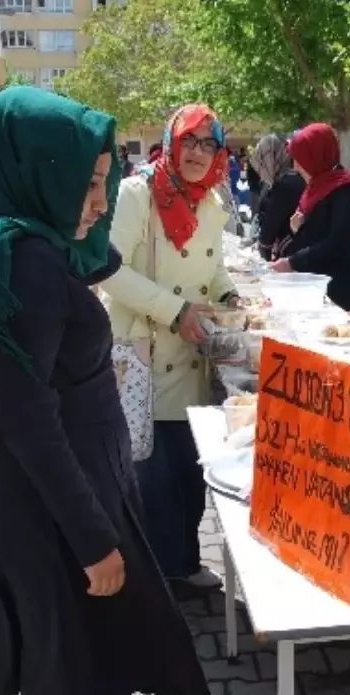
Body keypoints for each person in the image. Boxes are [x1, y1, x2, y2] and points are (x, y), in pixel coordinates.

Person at [0, 86, 210, 695]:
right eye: (88, 181)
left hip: (79, 482)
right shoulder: (20, 261)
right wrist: (92, 536)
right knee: (57, 658)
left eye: (103, 179)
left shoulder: (34, 240)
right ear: (40, 169)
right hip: (43, 502)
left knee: (105, 625)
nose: (97, 200)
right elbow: (28, 421)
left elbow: (100, 263)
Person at [102, 103, 238, 591]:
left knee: (187, 468)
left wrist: (231, 296)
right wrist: (175, 311)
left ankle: (182, 562)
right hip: (145, 353)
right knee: (149, 476)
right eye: (191, 141)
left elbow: (212, 269)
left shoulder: (213, 203)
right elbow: (108, 269)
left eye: (209, 143)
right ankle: (152, 579)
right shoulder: (138, 194)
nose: (199, 152)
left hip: (192, 355)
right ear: (173, 143)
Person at [270, 122, 350, 311]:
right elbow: (313, 235)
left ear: (316, 156)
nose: (295, 166)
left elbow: (337, 243)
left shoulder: (344, 190)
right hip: (314, 287)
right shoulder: (315, 187)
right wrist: (296, 229)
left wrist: (292, 262)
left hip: (340, 291)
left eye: (300, 158)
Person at [251, 133, 304, 261]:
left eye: (263, 159)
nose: (261, 167)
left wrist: (265, 254)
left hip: (292, 254)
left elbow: (270, 228)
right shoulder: (296, 178)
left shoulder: (285, 184)